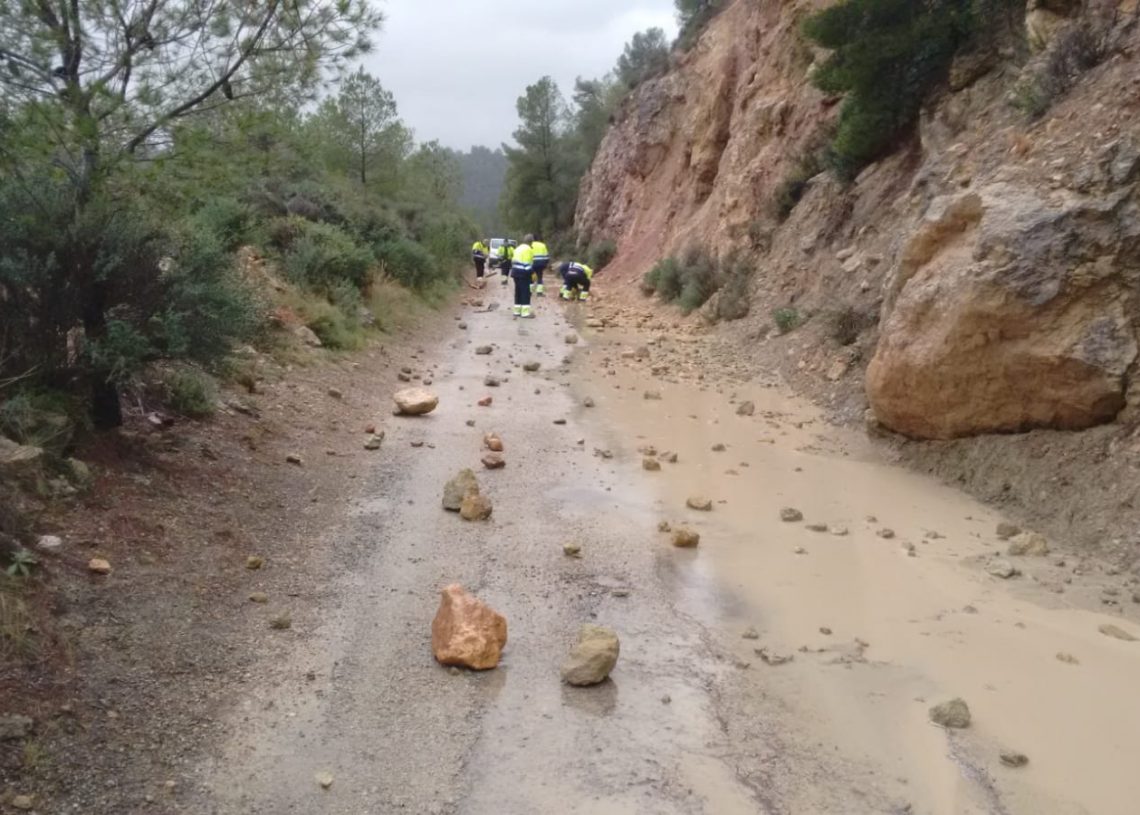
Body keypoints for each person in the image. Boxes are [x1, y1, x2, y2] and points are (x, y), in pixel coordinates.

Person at [511, 235, 536, 318]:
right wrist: (532, 273)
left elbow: (513, 260)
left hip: (515, 272)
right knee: (525, 292)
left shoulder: (518, 248)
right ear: (531, 242)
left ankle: (517, 311)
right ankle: (525, 313)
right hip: (523, 273)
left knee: (518, 292)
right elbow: (527, 264)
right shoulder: (528, 249)